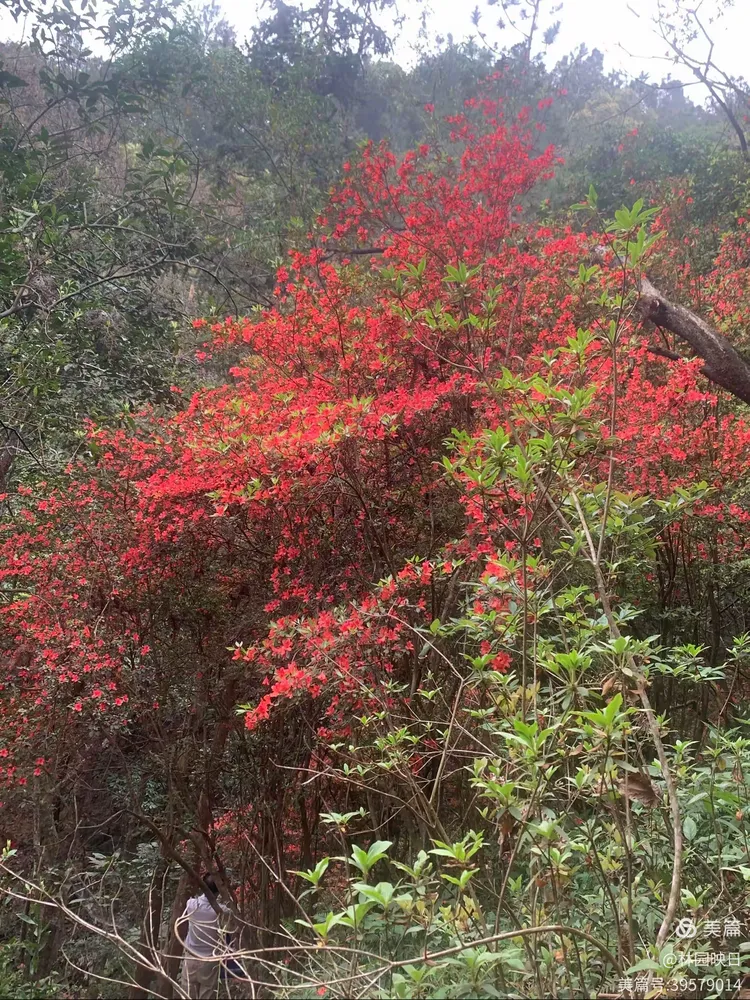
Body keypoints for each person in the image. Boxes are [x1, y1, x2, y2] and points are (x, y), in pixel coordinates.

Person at [177, 874, 233, 999]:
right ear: (218, 890)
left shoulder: (191, 904)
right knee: (207, 993)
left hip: (191, 957)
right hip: (209, 960)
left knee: (187, 993)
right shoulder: (222, 911)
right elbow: (231, 920)